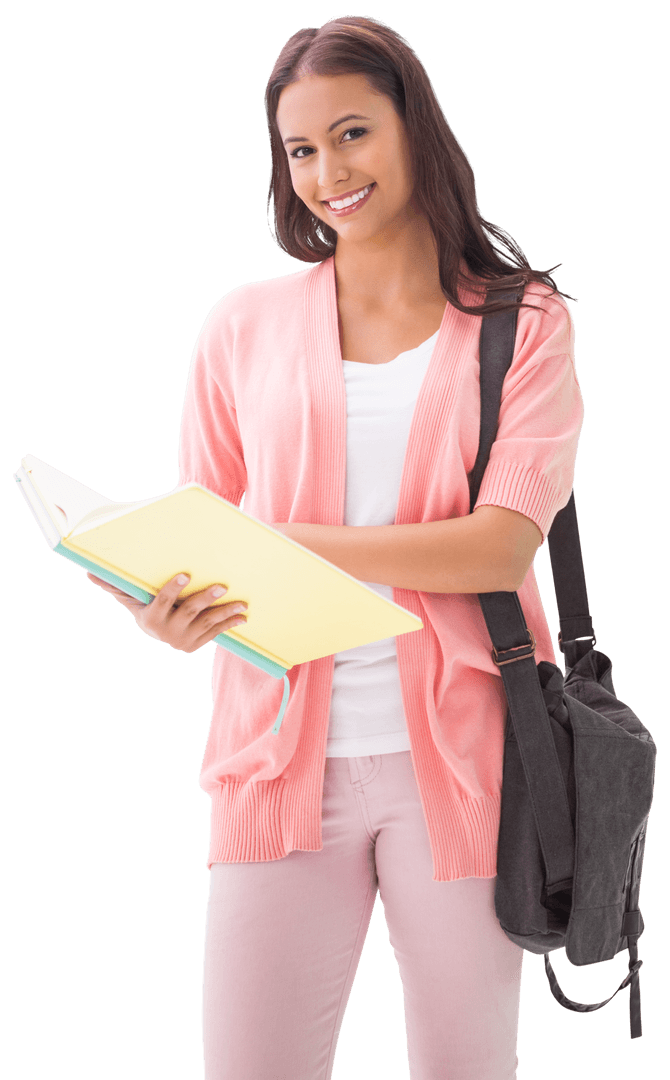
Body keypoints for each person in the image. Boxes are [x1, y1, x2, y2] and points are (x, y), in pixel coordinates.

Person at [86, 14, 584, 1080]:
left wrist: (281, 540)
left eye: (350, 134)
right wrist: (162, 608)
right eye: (300, 150)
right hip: (273, 764)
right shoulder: (240, 328)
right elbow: (202, 534)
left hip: (463, 766)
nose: (326, 173)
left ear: (415, 128)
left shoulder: (522, 324)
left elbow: (499, 548)